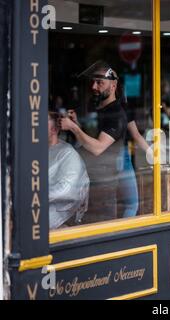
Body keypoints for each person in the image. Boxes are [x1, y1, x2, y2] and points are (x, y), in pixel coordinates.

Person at [60, 61, 135, 223]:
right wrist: (78, 124)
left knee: (101, 230)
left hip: (105, 184)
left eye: (100, 82)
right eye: (93, 82)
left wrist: (73, 128)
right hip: (89, 179)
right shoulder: (97, 107)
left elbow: (98, 147)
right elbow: (92, 139)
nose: (94, 86)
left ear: (113, 86)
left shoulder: (117, 114)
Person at [48, 111, 89, 230]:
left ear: (54, 130)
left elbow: (66, 190)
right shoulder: (34, 150)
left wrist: (33, 195)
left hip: (56, 217)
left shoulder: (69, 155)